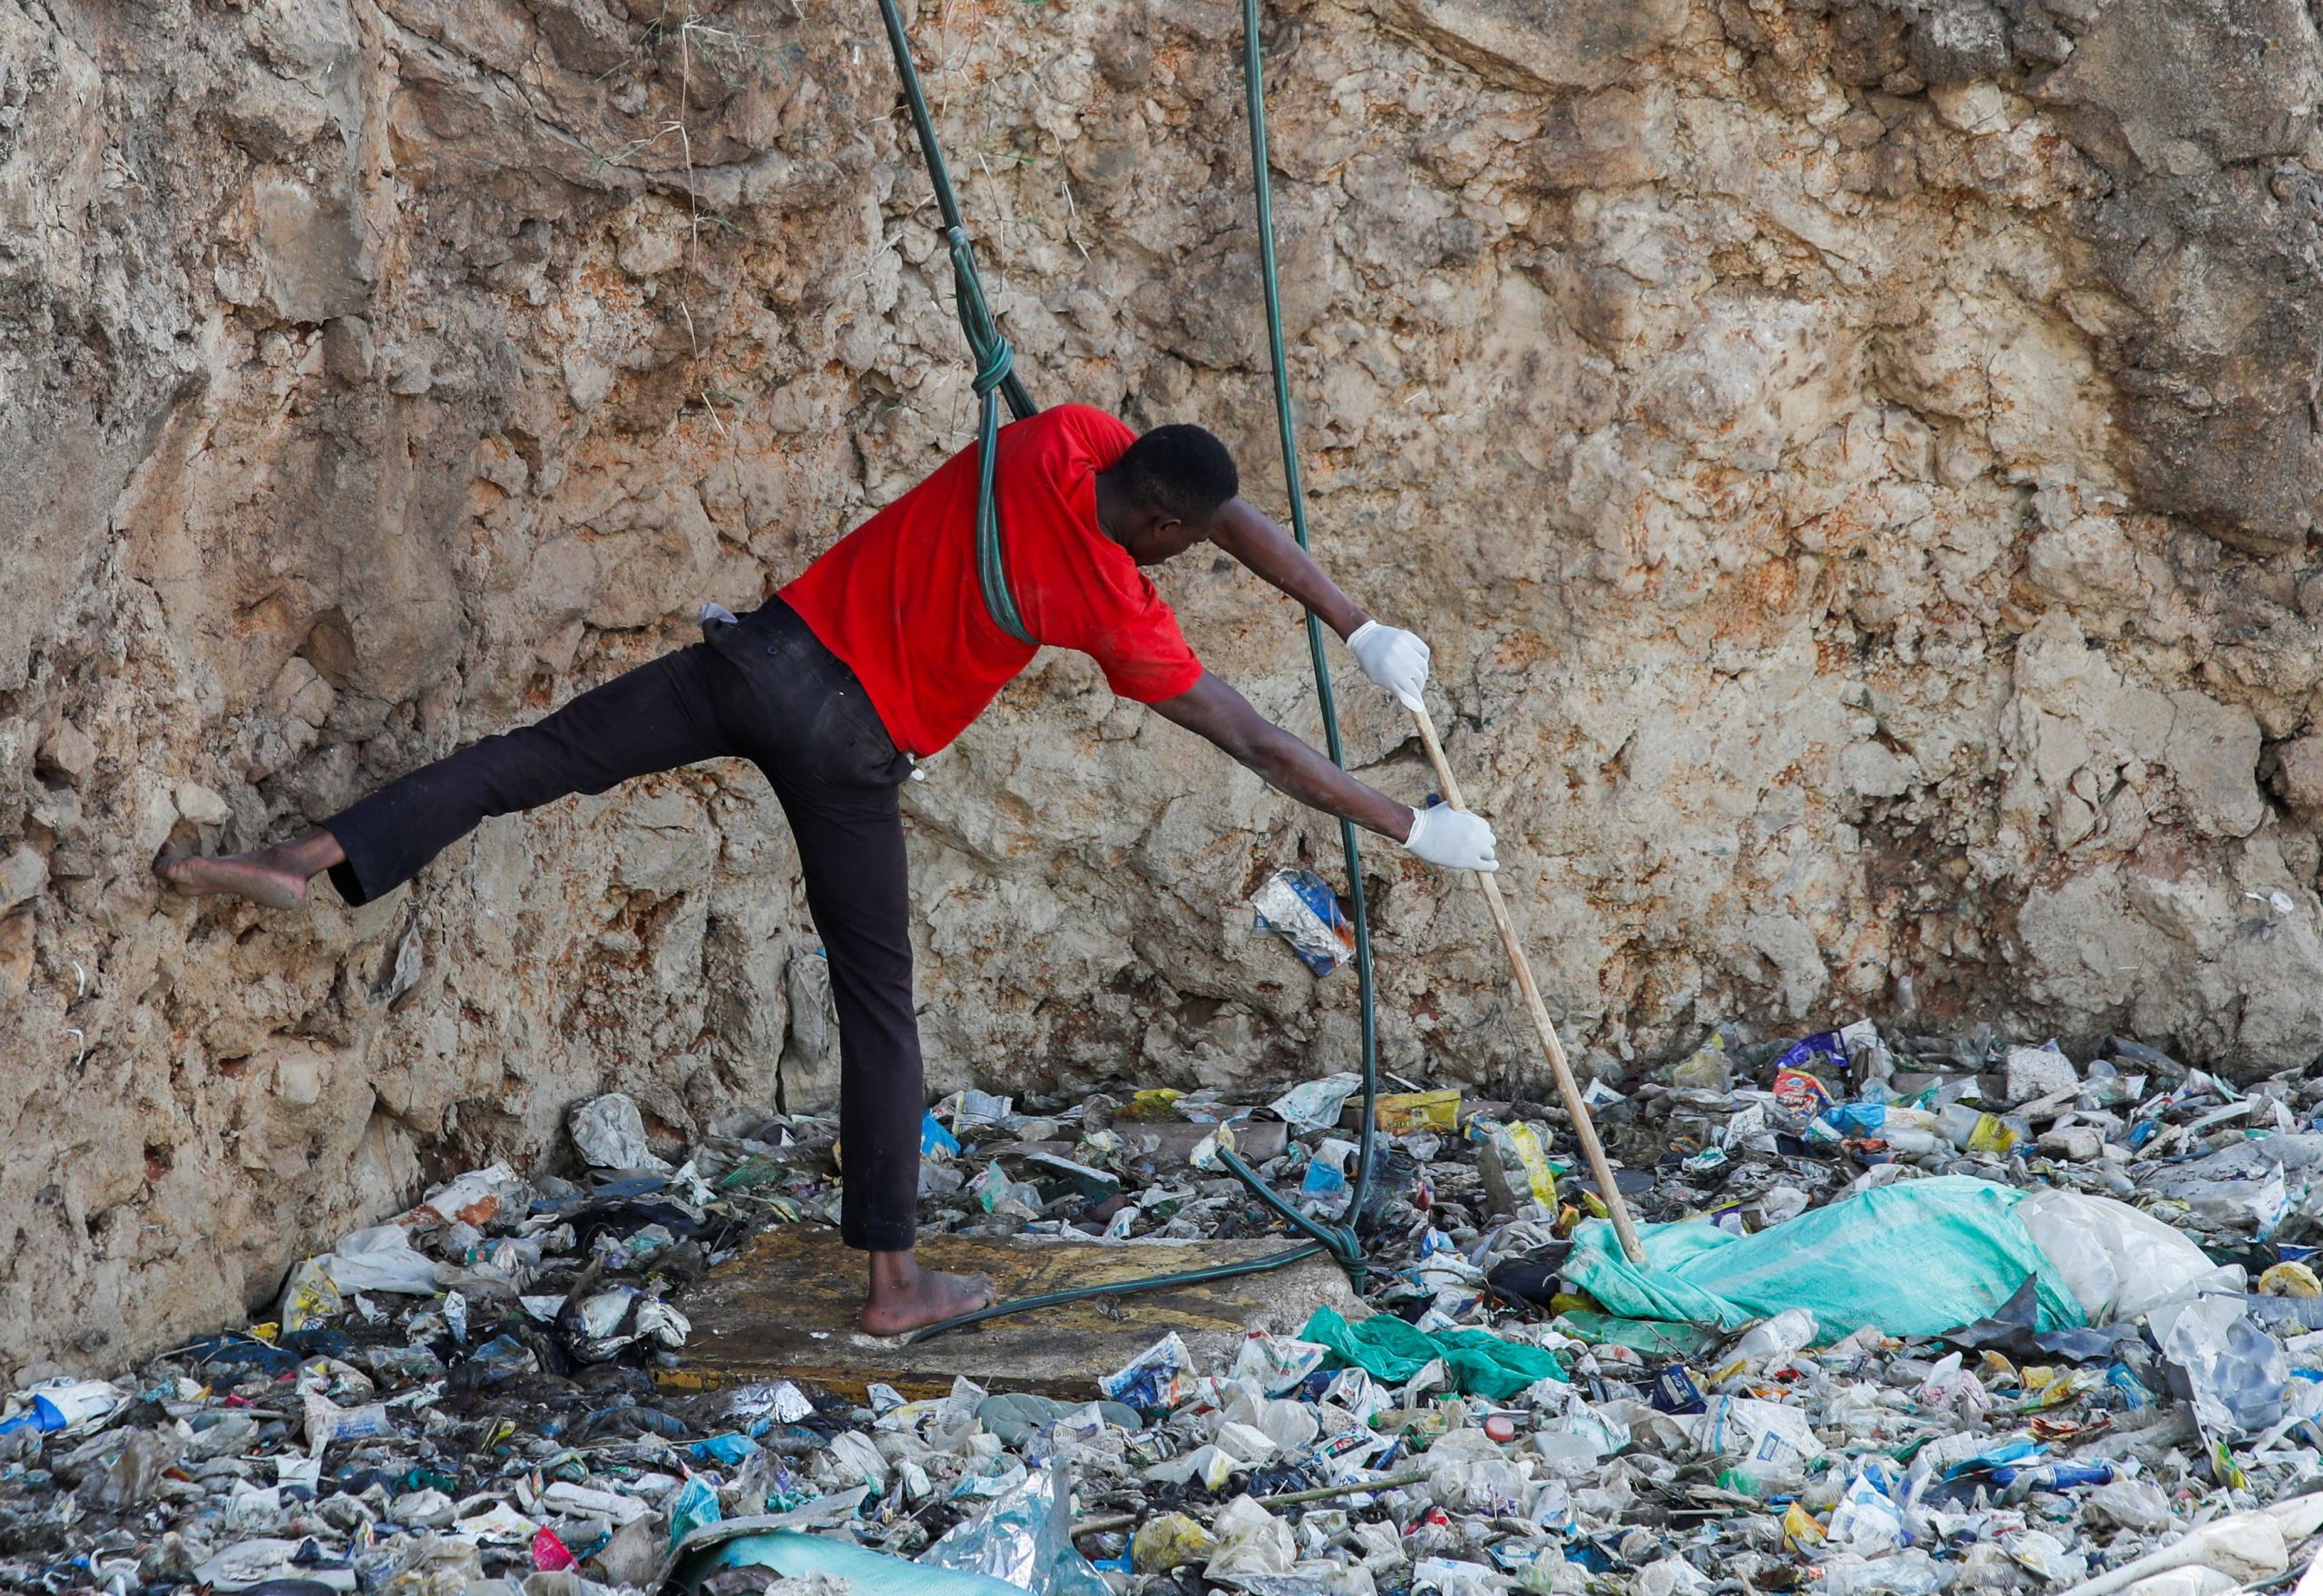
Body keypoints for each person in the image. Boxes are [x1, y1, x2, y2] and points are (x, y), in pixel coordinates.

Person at [156, 404, 1499, 1333]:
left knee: (538, 754)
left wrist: (1357, 619)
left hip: (759, 662)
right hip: (851, 750)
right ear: (1151, 519)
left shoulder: (1060, 436)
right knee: (878, 1005)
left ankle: (325, 849)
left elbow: (1224, 504)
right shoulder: (1113, 602)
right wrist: (1407, 826)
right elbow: (1260, 743)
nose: (1188, 559)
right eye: (1178, 542)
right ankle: (894, 1279)